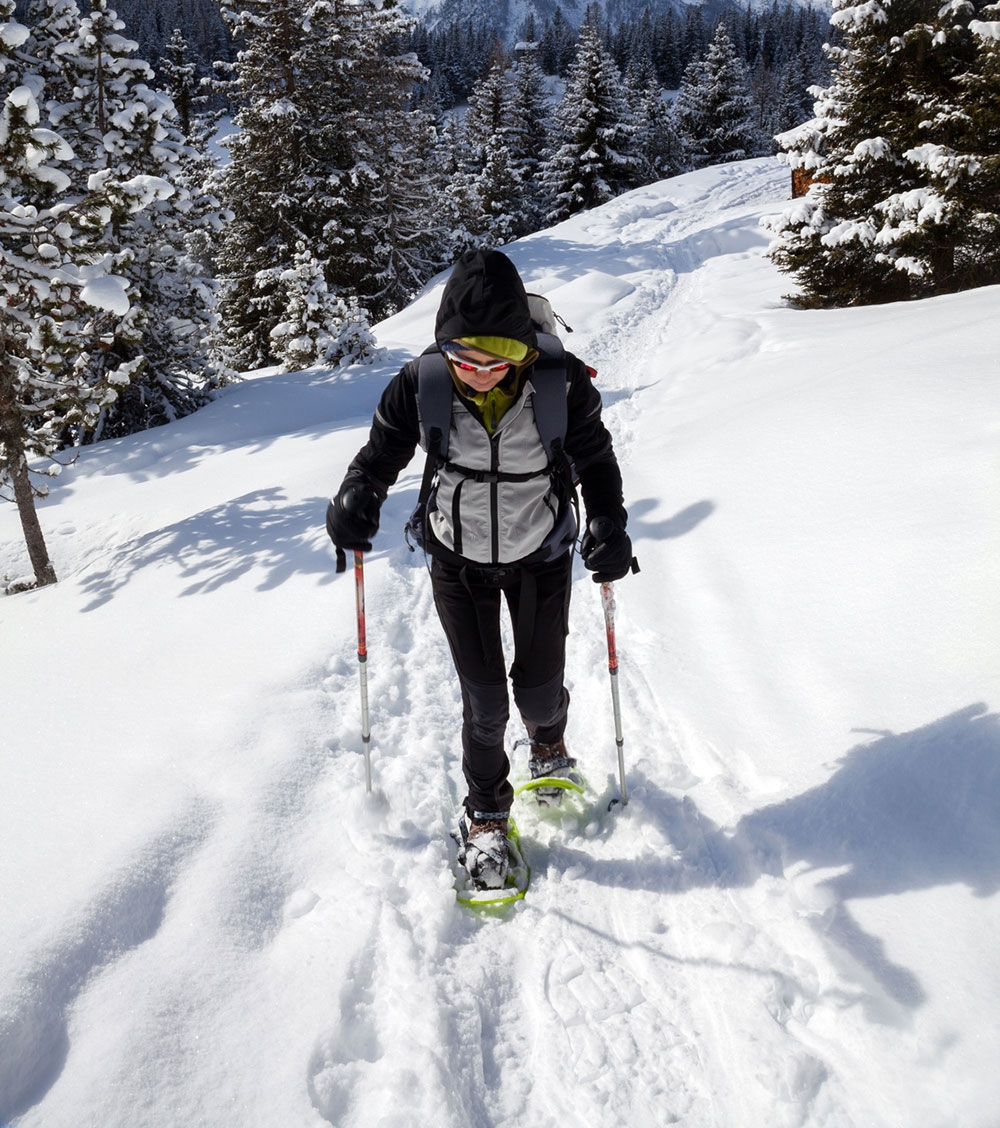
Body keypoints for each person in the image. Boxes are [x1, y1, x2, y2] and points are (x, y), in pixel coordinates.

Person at [326, 249, 635, 890]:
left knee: (539, 688)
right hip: (456, 558)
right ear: (446, 349)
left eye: (500, 362)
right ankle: (488, 815)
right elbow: (380, 453)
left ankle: (549, 746)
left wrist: (607, 521)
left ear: (525, 351)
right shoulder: (423, 382)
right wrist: (357, 496)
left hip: (540, 555)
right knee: (486, 697)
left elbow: (597, 462)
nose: (481, 375)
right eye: (465, 360)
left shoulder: (561, 382)